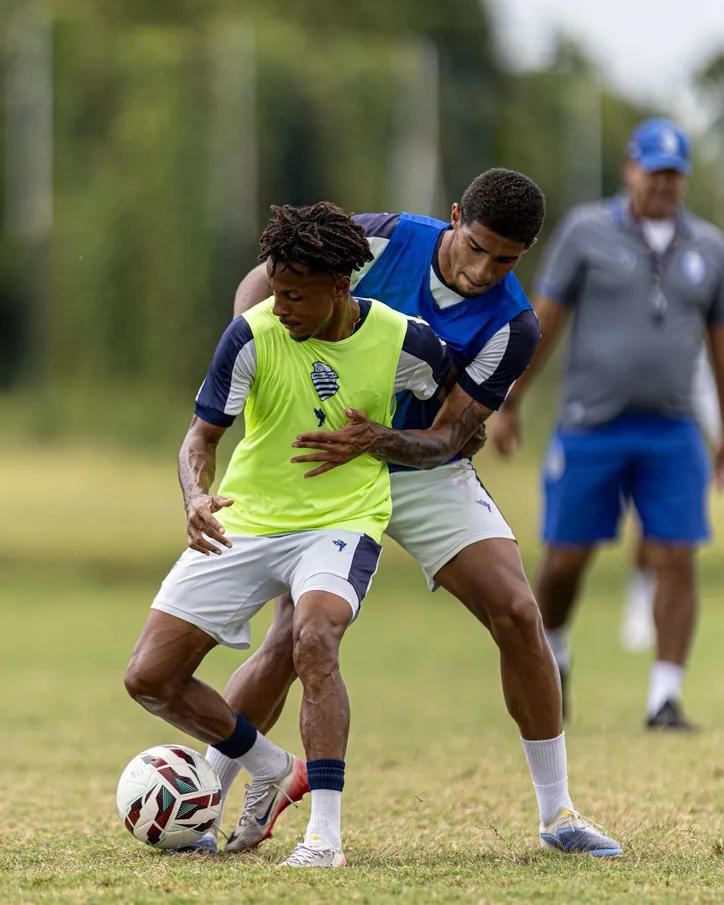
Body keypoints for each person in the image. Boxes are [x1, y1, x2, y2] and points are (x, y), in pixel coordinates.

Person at [194, 169, 622, 859]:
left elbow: (455, 435)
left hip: (420, 465)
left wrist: (380, 438)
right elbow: (265, 281)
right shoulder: (381, 238)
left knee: (517, 609)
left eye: (507, 259)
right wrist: (249, 349)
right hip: (324, 461)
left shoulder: (514, 325)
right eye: (477, 247)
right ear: (455, 217)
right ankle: (207, 798)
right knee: (290, 638)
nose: (486, 270)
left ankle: (559, 811)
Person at [123, 201, 458, 869]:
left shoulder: (408, 342)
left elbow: (456, 424)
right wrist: (195, 496)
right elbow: (202, 436)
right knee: (150, 677)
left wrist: (388, 440)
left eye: (295, 295)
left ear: (342, 287)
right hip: (247, 517)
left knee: (314, 638)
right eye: (275, 290)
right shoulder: (250, 335)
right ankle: (274, 766)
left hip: (342, 520)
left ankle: (324, 837)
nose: (279, 306)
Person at [491, 119, 724, 730]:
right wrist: (509, 400)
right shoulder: (587, 231)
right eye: (654, 171)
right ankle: (557, 655)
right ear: (630, 168)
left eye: (674, 174)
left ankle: (664, 697)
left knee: (676, 553)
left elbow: (719, 344)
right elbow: (545, 321)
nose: (663, 185)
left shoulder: (708, 247)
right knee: (566, 559)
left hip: (672, 429)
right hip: (591, 424)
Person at [621, 346, 722, 652]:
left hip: (687, 433)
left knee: (679, 534)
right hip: (659, 423)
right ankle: (641, 593)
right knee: (652, 524)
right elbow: (703, 386)